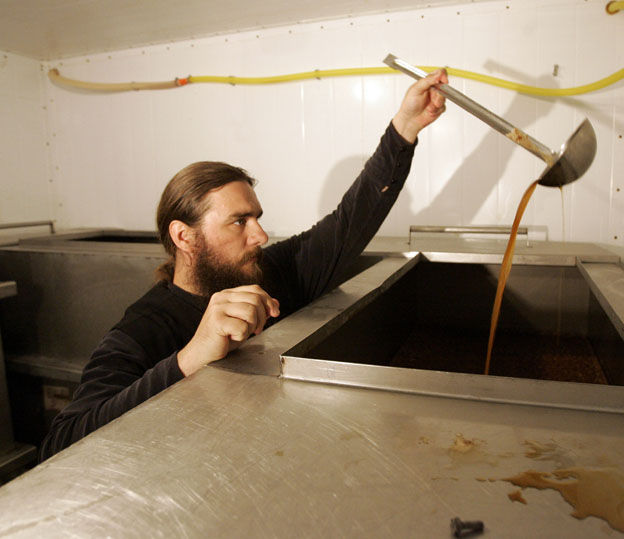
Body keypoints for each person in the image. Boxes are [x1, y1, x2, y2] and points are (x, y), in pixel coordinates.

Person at [39, 69, 448, 461]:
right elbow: (61, 444)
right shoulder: (142, 331)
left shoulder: (273, 272)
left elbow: (348, 223)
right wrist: (189, 358)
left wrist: (405, 128)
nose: (261, 236)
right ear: (184, 237)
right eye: (239, 222)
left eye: (257, 217)